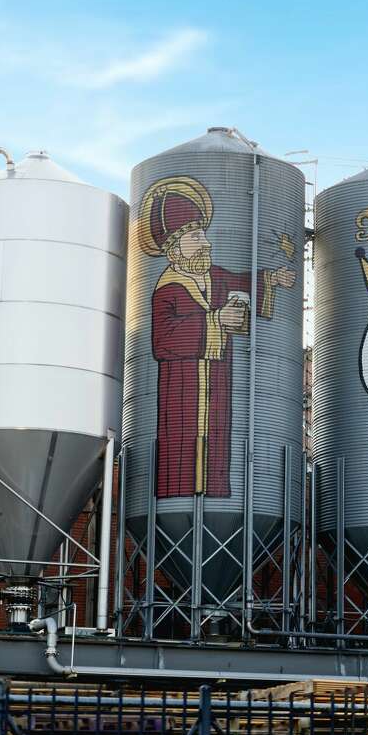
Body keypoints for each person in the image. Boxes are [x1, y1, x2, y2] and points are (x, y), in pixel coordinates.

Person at [136, 175, 295, 497]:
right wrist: (215, 320)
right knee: (181, 454)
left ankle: (216, 492)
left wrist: (271, 278)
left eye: (203, 234)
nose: (206, 243)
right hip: (182, 390)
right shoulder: (167, 288)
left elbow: (242, 279)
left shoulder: (213, 276)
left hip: (218, 390)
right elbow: (161, 340)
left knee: (218, 449)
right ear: (174, 246)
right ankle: (180, 494)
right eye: (195, 236)